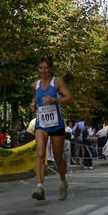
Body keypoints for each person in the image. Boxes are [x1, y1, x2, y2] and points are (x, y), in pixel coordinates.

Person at [29, 55, 74, 200]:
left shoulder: (57, 81)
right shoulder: (34, 85)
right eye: (40, 68)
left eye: (46, 68)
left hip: (56, 124)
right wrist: (33, 105)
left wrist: (54, 99)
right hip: (41, 123)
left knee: (58, 156)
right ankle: (40, 187)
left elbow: (70, 99)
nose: (43, 71)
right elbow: (35, 99)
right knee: (40, 153)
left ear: (51, 69)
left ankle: (62, 182)